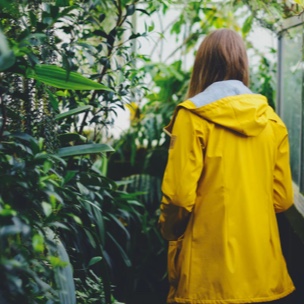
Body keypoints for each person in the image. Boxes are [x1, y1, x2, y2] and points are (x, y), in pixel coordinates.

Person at [158, 28, 295, 304]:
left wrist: (168, 230)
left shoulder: (192, 117)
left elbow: (179, 197)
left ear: (203, 66)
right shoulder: (272, 122)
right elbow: (282, 199)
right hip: (262, 275)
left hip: (207, 278)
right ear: (243, 65)